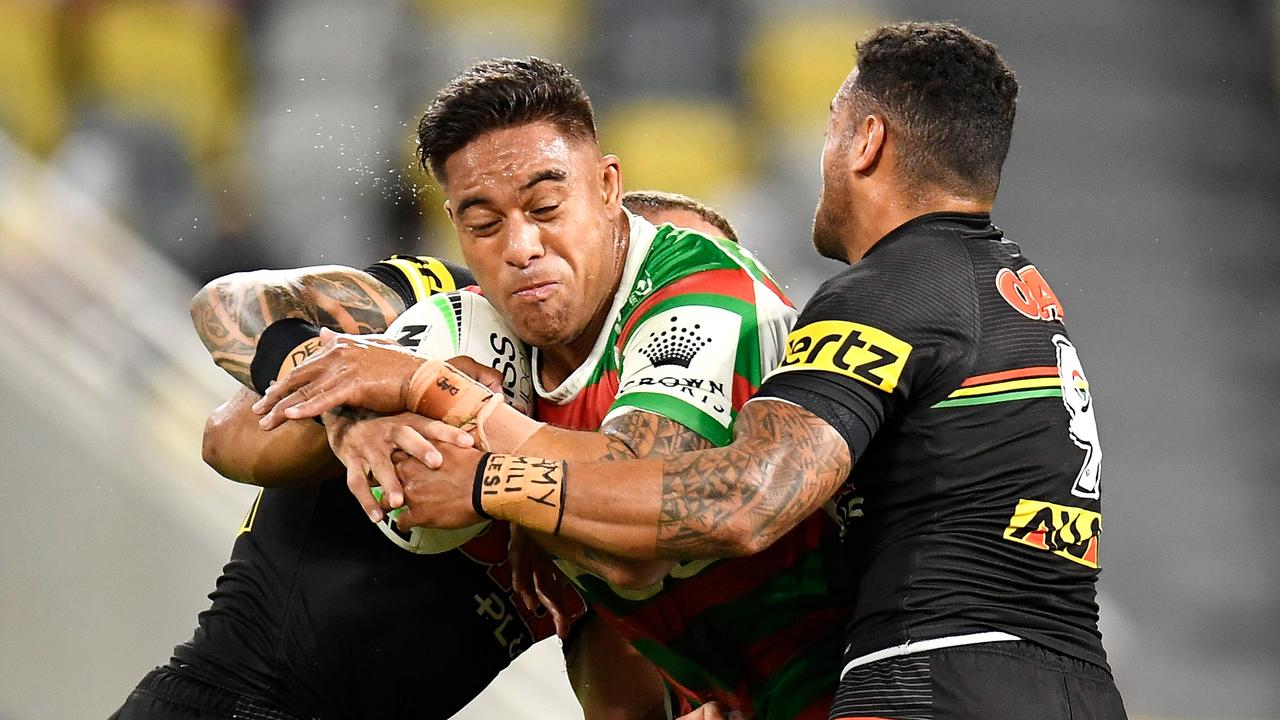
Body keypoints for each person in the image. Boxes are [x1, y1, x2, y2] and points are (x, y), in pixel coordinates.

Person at [273, 23, 1128, 719]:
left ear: (866, 140)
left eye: (833, 124)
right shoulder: (1013, 292)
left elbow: (741, 501)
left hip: (929, 683)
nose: (823, 156)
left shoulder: (886, 291)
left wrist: (491, 479)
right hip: (1073, 685)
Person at [251, 57, 851, 719]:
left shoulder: (702, 295)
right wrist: (350, 419)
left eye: (545, 207)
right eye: (484, 224)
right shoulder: (472, 323)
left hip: (878, 680)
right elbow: (229, 423)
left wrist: (435, 397)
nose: (521, 246)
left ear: (606, 186)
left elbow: (636, 538)